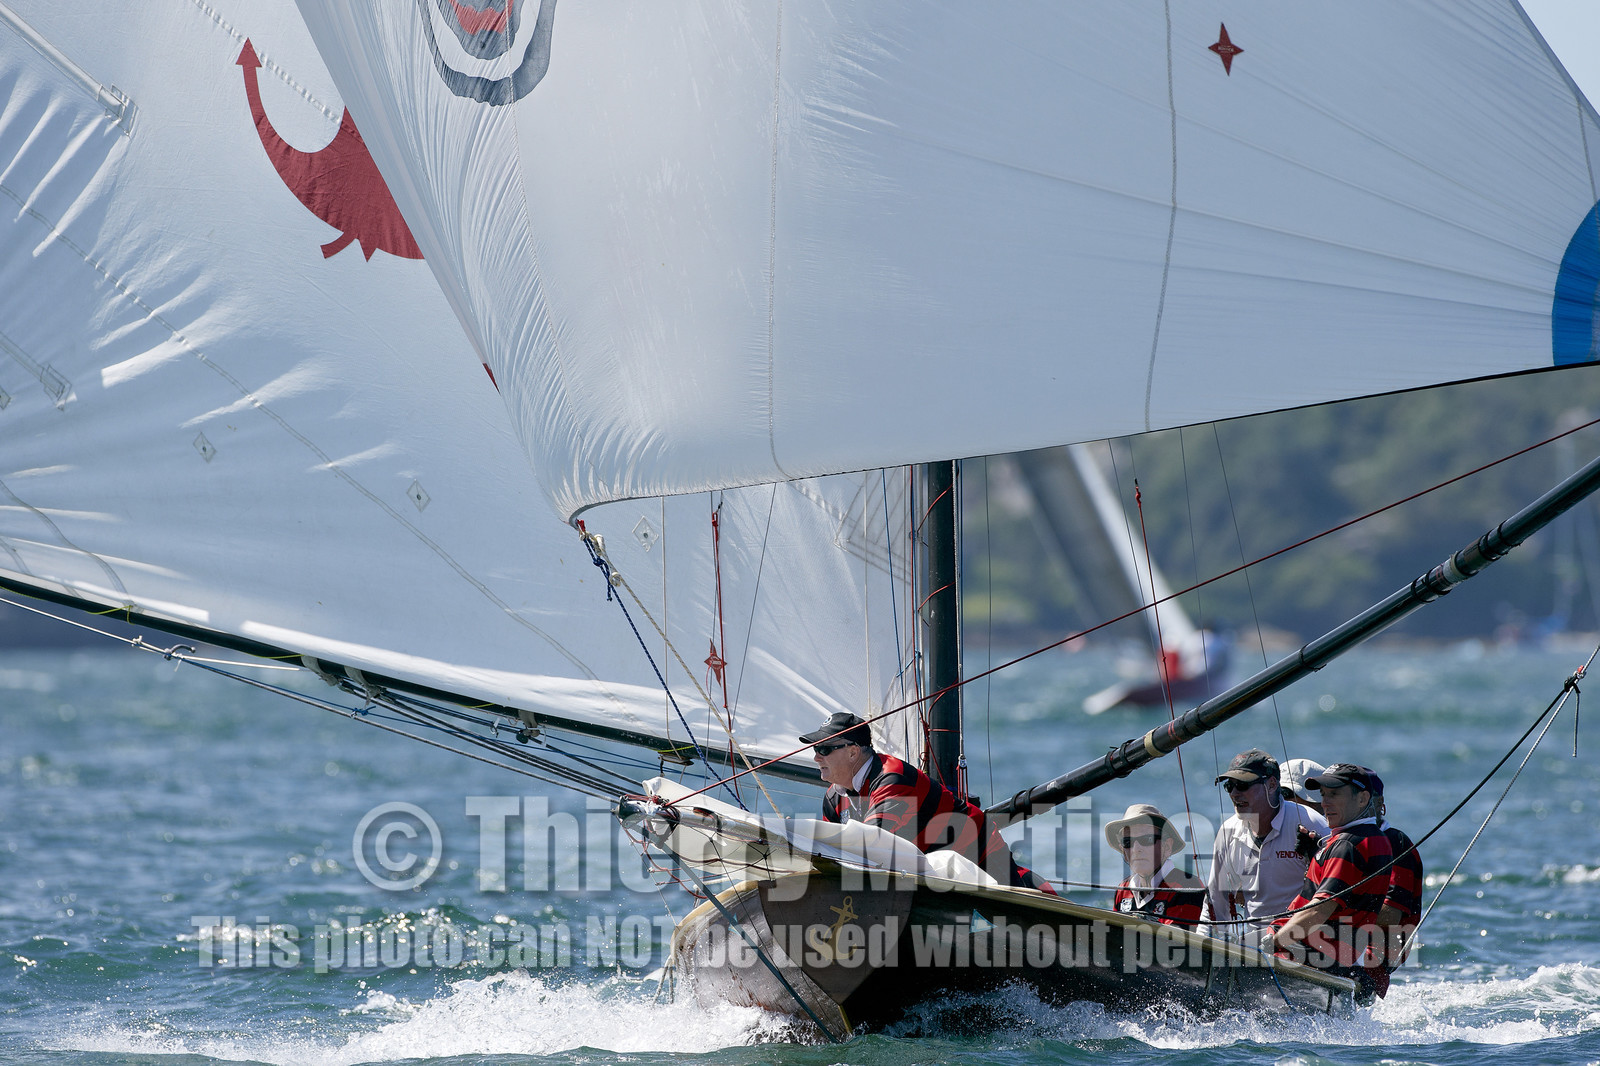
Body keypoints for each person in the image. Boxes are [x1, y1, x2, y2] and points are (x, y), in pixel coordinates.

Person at [799, 712, 1053, 892]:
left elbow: (874, 846)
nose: (816, 758)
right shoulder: (834, 797)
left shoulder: (892, 779)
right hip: (932, 873)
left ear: (853, 751)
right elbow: (833, 852)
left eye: (824, 749)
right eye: (815, 750)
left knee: (1016, 913)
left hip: (979, 856)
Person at [1269, 763, 1393, 1001]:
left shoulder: (1347, 845)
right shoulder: (1377, 839)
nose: (1325, 802)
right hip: (1340, 960)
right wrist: (1317, 855)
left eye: (1335, 794)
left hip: (1306, 960)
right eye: (1323, 795)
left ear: (1362, 798)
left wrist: (1271, 944)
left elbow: (1318, 911)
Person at [1201, 748, 1327, 945]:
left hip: (1306, 941)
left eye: (1242, 785)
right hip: (1254, 944)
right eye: (1230, 786)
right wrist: (1201, 946)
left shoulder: (1312, 824)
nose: (1234, 793)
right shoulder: (1228, 831)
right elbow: (1216, 904)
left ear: (1271, 784)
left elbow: (1334, 896)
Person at [1105, 803, 1207, 929]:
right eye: (1128, 842)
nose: (1136, 849)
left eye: (1147, 839)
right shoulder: (1123, 889)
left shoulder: (1188, 886)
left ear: (1167, 846)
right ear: (1123, 851)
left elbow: (1178, 944)